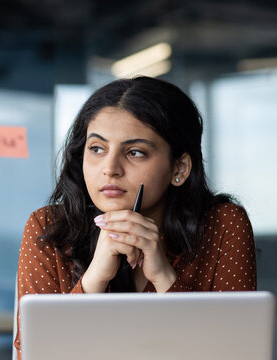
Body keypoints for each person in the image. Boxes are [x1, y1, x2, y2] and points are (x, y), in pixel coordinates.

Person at [14, 76, 256, 357]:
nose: (110, 168)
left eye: (135, 152)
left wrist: (165, 277)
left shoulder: (223, 224)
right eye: (97, 149)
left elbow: (237, 351)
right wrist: (93, 281)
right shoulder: (48, 226)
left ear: (179, 168)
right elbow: (33, 353)